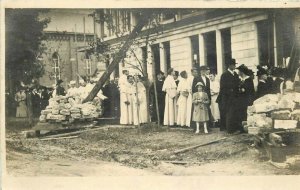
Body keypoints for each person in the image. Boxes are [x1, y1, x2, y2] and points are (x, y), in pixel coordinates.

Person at [216, 59, 240, 133]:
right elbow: (223, 87)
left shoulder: (235, 74)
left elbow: (237, 84)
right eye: (233, 65)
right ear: (229, 66)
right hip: (227, 98)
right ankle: (230, 130)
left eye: (234, 65)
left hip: (235, 97)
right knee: (229, 113)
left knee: (234, 113)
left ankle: (234, 128)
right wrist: (230, 91)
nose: (234, 66)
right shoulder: (224, 75)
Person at [236, 64, 255, 132]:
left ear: (242, 72)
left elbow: (251, 90)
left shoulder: (248, 79)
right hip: (241, 99)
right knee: (241, 113)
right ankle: (242, 128)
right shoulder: (240, 79)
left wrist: (244, 90)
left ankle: (247, 127)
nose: (238, 73)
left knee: (246, 113)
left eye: (239, 71)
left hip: (247, 99)